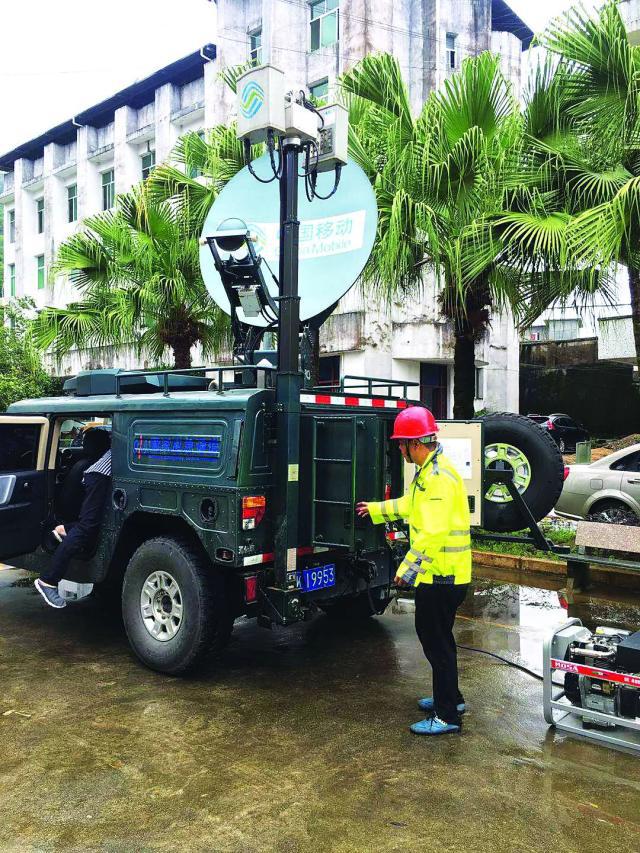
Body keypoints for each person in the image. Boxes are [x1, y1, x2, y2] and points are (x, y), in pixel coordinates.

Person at [356, 406, 471, 736]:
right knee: (441, 641)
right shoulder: (432, 471)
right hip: (447, 574)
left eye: (402, 445)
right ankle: (451, 698)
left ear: (415, 443)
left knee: (436, 644)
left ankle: (447, 715)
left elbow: (432, 534)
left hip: (440, 576)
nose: (400, 450)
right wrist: (376, 510)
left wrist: (406, 571)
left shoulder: (435, 480)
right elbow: (409, 505)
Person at [34, 435, 112, 610]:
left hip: (99, 475)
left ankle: (63, 529)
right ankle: (48, 581)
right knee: (86, 528)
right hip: (99, 476)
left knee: (94, 525)